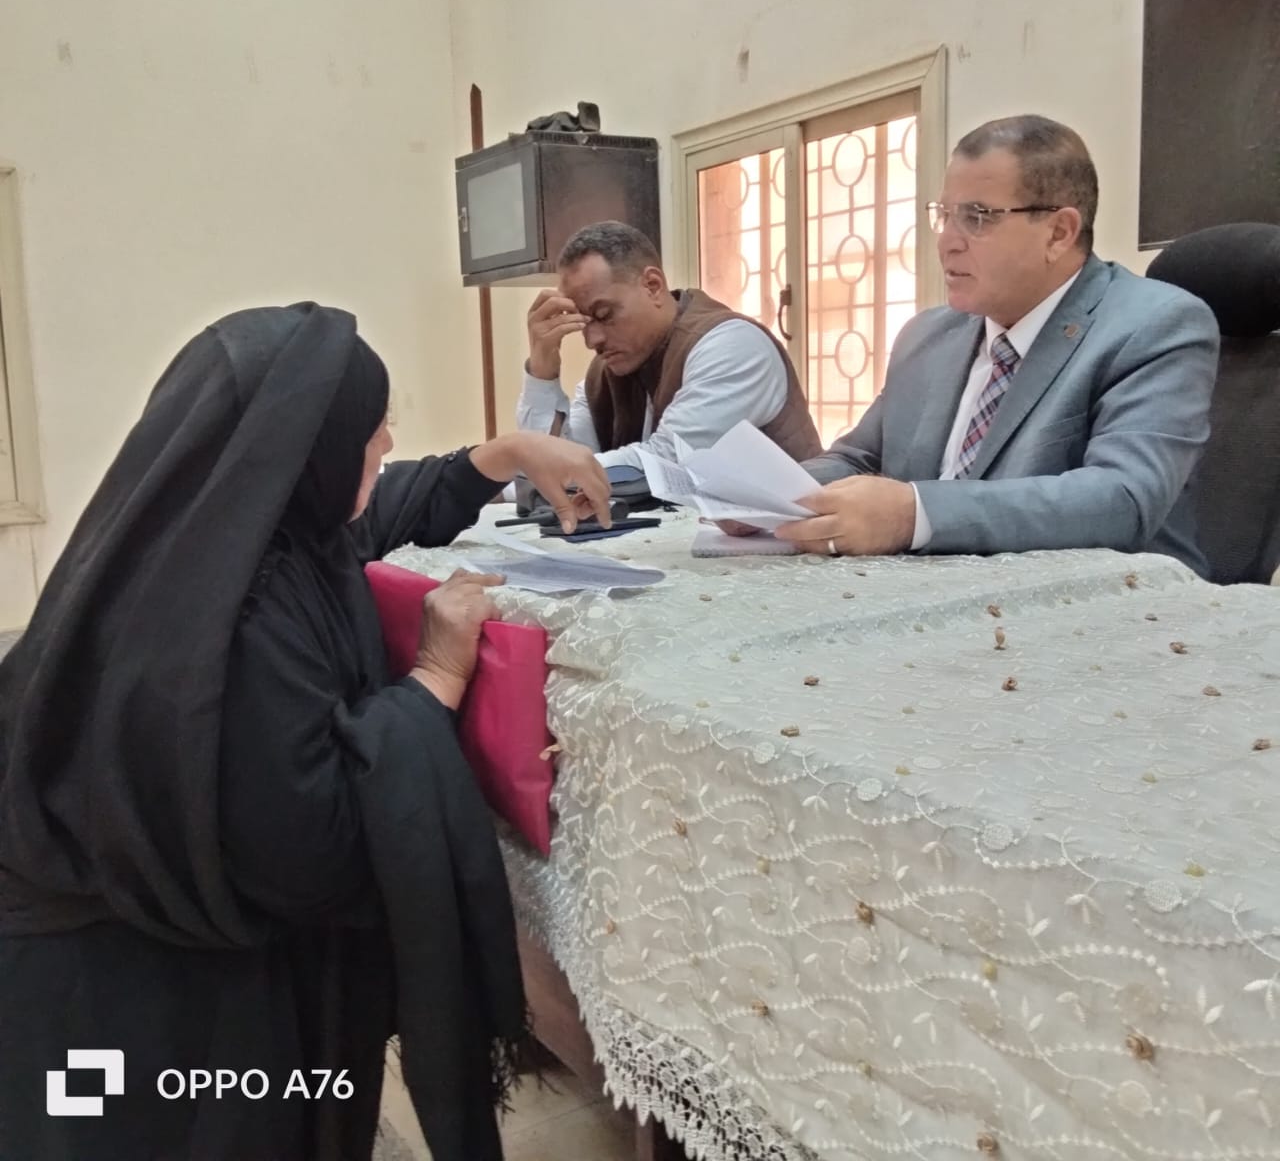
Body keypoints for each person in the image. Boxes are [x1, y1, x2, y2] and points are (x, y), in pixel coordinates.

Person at [0, 303, 612, 1161]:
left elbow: (381, 509)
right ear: (308, 451)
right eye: (372, 429)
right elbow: (312, 846)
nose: (388, 441)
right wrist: (435, 677)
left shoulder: (206, 532)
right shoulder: (233, 623)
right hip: (149, 1010)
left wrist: (506, 453)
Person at [770, 115, 1219, 574]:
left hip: (1110, 601)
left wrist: (913, 515)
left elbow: (1122, 498)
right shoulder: (927, 335)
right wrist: (769, 495)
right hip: (929, 590)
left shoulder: (1153, 325)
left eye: (977, 217)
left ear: (1059, 233)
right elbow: (858, 457)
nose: (947, 242)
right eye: (944, 216)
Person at [516, 220, 822, 467]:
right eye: (583, 323)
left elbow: (667, 461)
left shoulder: (733, 345)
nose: (592, 340)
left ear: (652, 285)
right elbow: (554, 465)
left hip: (784, 528)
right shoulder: (604, 374)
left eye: (605, 315)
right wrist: (542, 371)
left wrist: (535, 474)